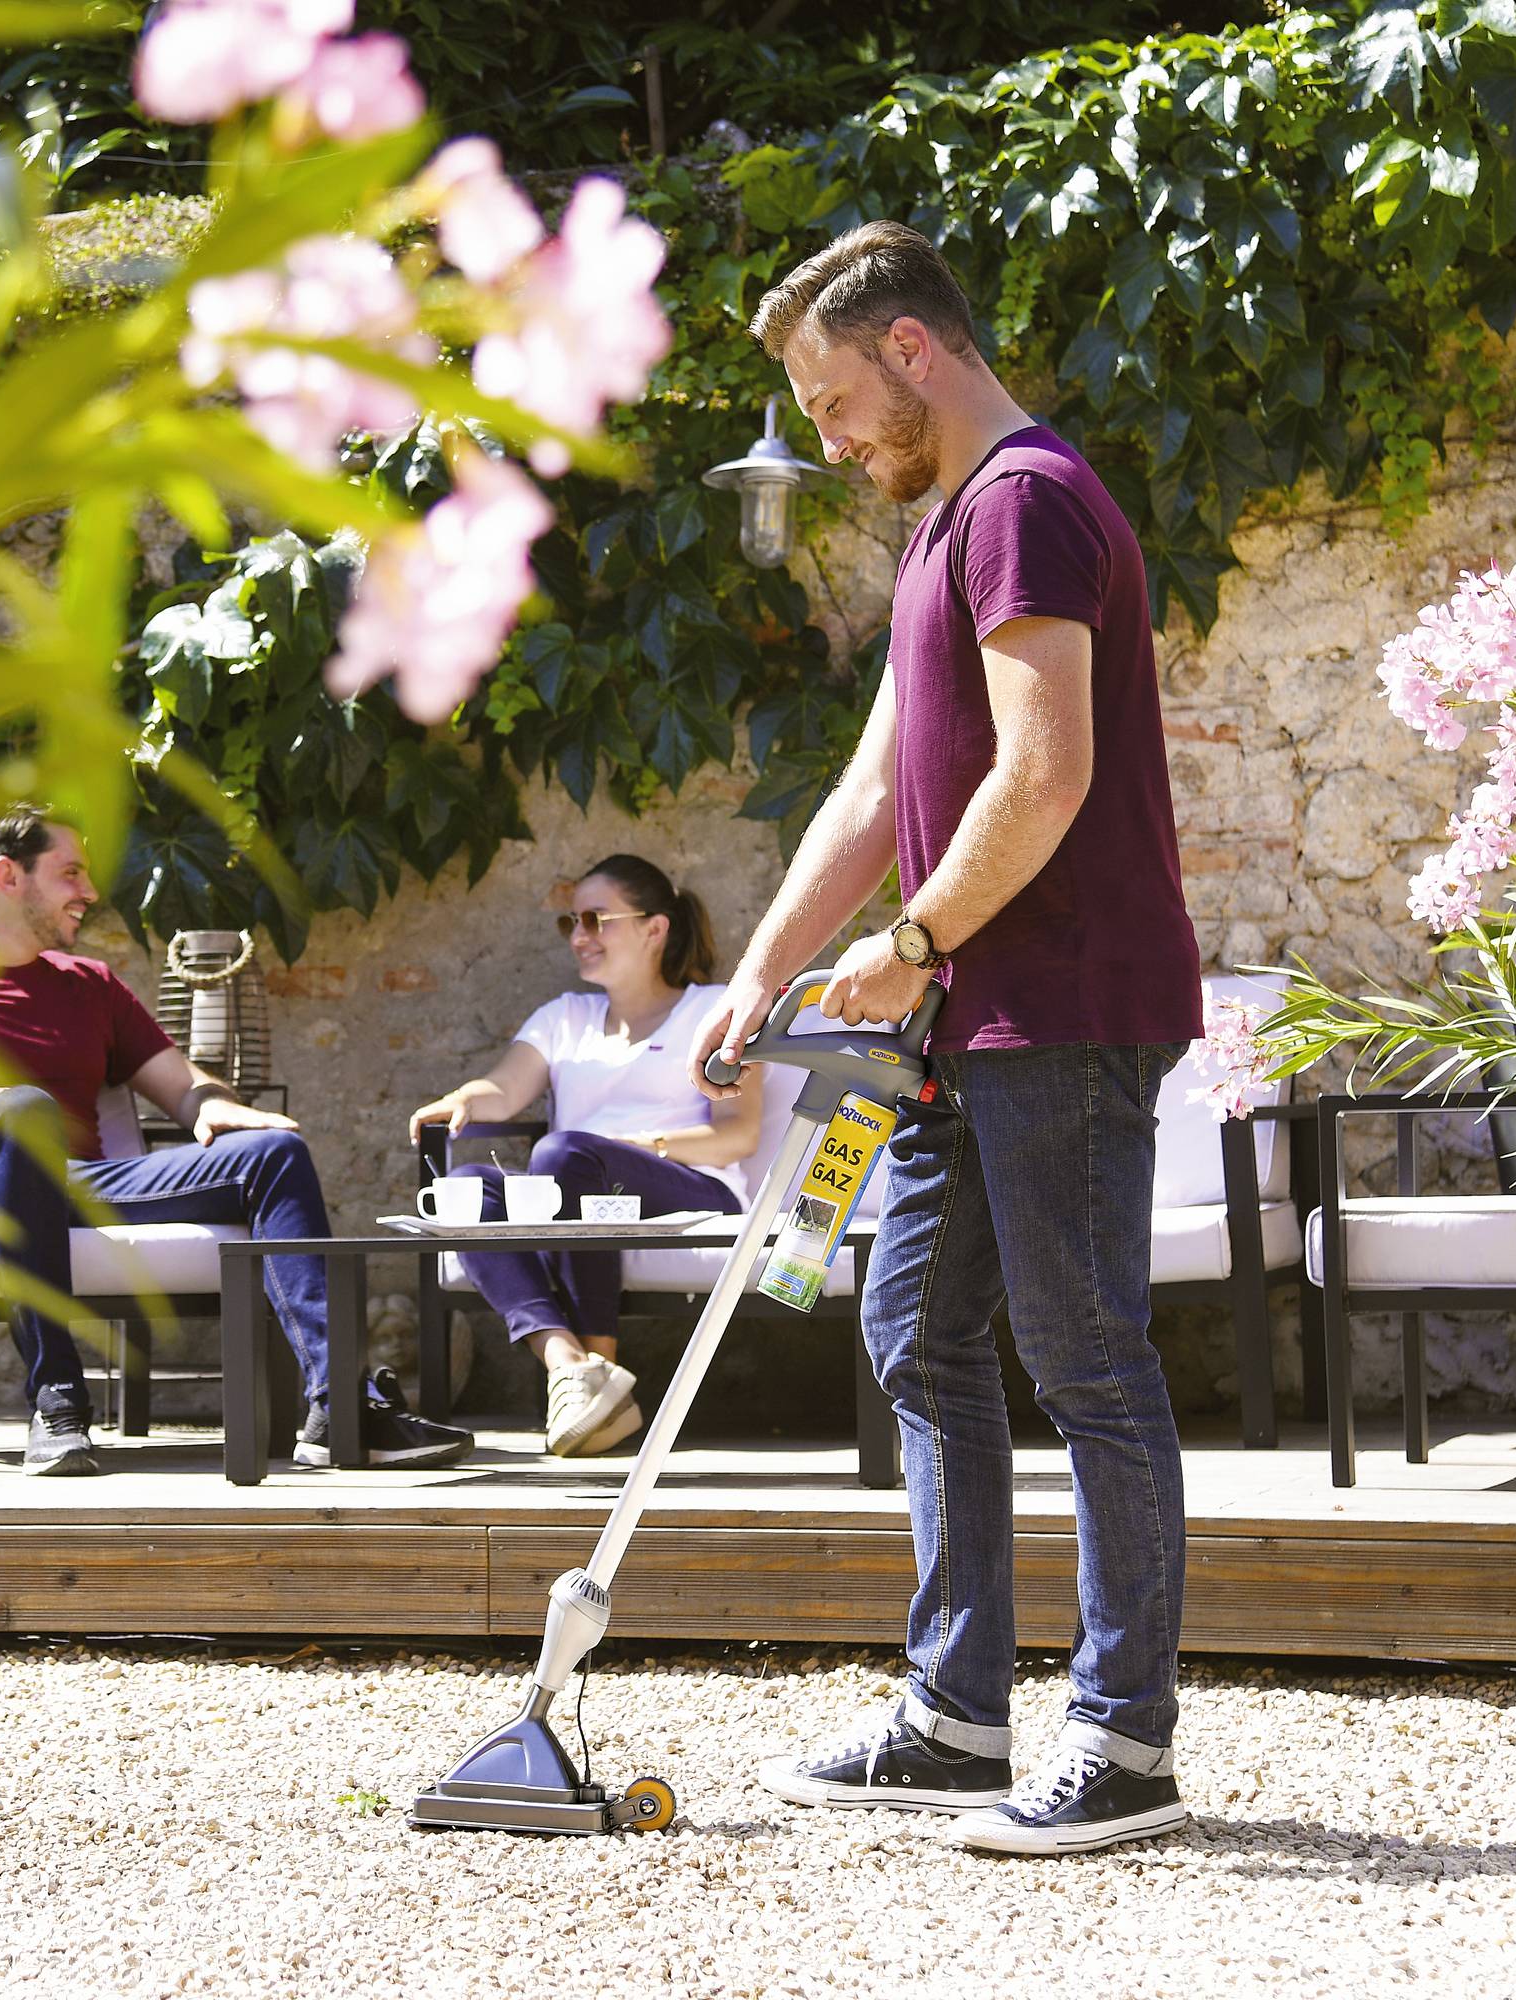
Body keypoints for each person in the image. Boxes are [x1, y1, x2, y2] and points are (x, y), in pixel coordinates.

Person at [695, 221, 1205, 1855]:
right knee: (913, 1323)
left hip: (1055, 1010)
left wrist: (909, 942)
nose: (828, 440)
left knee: (1087, 1361)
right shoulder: (937, 529)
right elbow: (869, 791)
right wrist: (760, 971)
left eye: (835, 401)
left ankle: (1120, 1745)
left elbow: (1042, 774)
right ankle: (954, 1710)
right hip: (958, 1023)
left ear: (912, 350)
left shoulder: (1027, 506)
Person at [0, 807, 475, 1477]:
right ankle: (58, 1404)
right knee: (21, 1113)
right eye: (70, 872)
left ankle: (341, 1406)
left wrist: (214, 1109)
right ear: (8, 876)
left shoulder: (90, 986)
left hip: (80, 1182)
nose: (91, 893)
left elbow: (183, 1085)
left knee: (273, 1155)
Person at [406, 856, 761, 1458]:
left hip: (694, 1190)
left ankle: (601, 1370)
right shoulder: (563, 1018)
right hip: (575, 1183)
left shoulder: (715, 1010)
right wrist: (462, 1098)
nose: (578, 936)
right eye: (571, 922)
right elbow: (505, 1087)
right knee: (466, 1184)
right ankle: (572, 1370)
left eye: (596, 920)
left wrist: (632, 1149)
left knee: (566, 1153)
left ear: (655, 928)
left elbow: (740, 1133)